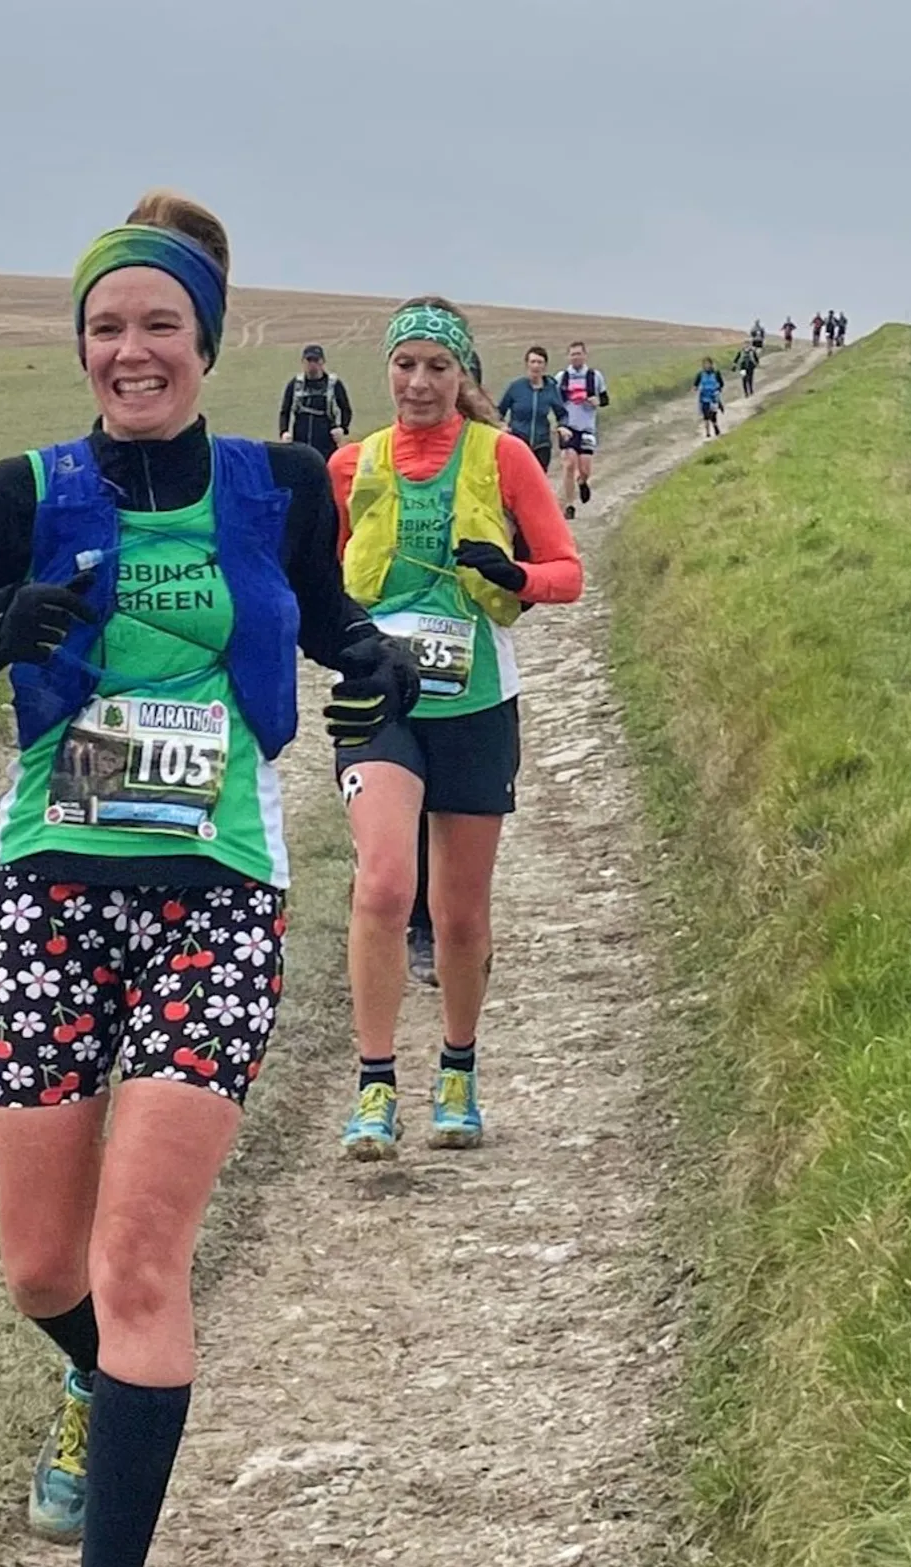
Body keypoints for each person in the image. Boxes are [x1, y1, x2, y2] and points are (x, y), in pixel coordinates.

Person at [0, 190, 417, 1567]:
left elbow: (324, 628)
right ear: (83, 348)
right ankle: (101, 1395)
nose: (132, 353)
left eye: (159, 328)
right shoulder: (21, 491)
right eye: (107, 329)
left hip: (217, 896)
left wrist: (370, 659)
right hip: (46, 888)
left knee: (143, 1265)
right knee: (40, 1272)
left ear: (207, 346)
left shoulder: (280, 485)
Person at [329, 296, 583, 1159]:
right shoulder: (352, 464)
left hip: (475, 699)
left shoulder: (502, 455)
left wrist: (513, 571)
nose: (420, 383)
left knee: (461, 912)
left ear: (463, 375)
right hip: (382, 704)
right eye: (406, 365)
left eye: (438, 367)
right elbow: (321, 586)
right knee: (384, 885)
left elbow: (567, 573)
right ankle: (373, 1089)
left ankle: (458, 1070)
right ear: (388, 371)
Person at [553, 341, 610, 521]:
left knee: (584, 469)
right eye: (572, 354)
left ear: (585, 355)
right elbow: (554, 400)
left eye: (579, 354)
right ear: (568, 357)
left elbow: (605, 398)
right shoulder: (562, 377)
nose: (576, 357)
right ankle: (569, 505)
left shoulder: (594, 376)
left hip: (587, 428)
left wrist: (596, 402)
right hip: (568, 426)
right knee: (569, 465)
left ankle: (582, 482)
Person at [495, 345, 569, 473]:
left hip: (542, 444)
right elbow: (498, 412)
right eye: (533, 362)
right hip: (518, 442)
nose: (536, 366)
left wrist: (562, 426)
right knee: (518, 480)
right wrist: (502, 425)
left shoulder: (551, 389)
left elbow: (562, 414)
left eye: (540, 362)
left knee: (538, 483)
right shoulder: (515, 387)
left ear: (545, 366)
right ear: (527, 364)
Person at [279, 344, 352, 456]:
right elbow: (285, 411)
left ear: (322, 361)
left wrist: (342, 428)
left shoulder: (333, 384)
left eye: (316, 360)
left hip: (326, 444)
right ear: (303, 362)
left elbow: (346, 409)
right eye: (309, 360)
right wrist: (284, 432)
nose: (312, 364)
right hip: (300, 443)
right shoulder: (295, 384)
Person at [695, 357, 726, 436]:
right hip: (704, 398)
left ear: (711, 365)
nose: (707, 366)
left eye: (708, 364)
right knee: (705, 416)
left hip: (714, 398)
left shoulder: (716, 373)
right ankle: (708, 433)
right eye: (705, 364)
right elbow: (695, 385)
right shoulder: (700, 374)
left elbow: (721, 384)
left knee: (712, 414)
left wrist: (718, 388)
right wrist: (698, 388)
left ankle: (715, 426)